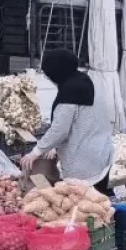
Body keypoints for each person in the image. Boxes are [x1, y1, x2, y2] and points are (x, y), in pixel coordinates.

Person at [20, 49, 114, 191]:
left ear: (56, 73)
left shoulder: (69, 95)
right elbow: (81, 122)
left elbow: (60, 130)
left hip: (83, 164)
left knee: (84, 206)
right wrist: (55, 147)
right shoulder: (87, 82)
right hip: (101, 154)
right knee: (100, 202)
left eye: (47, 74)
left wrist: (36, 152)